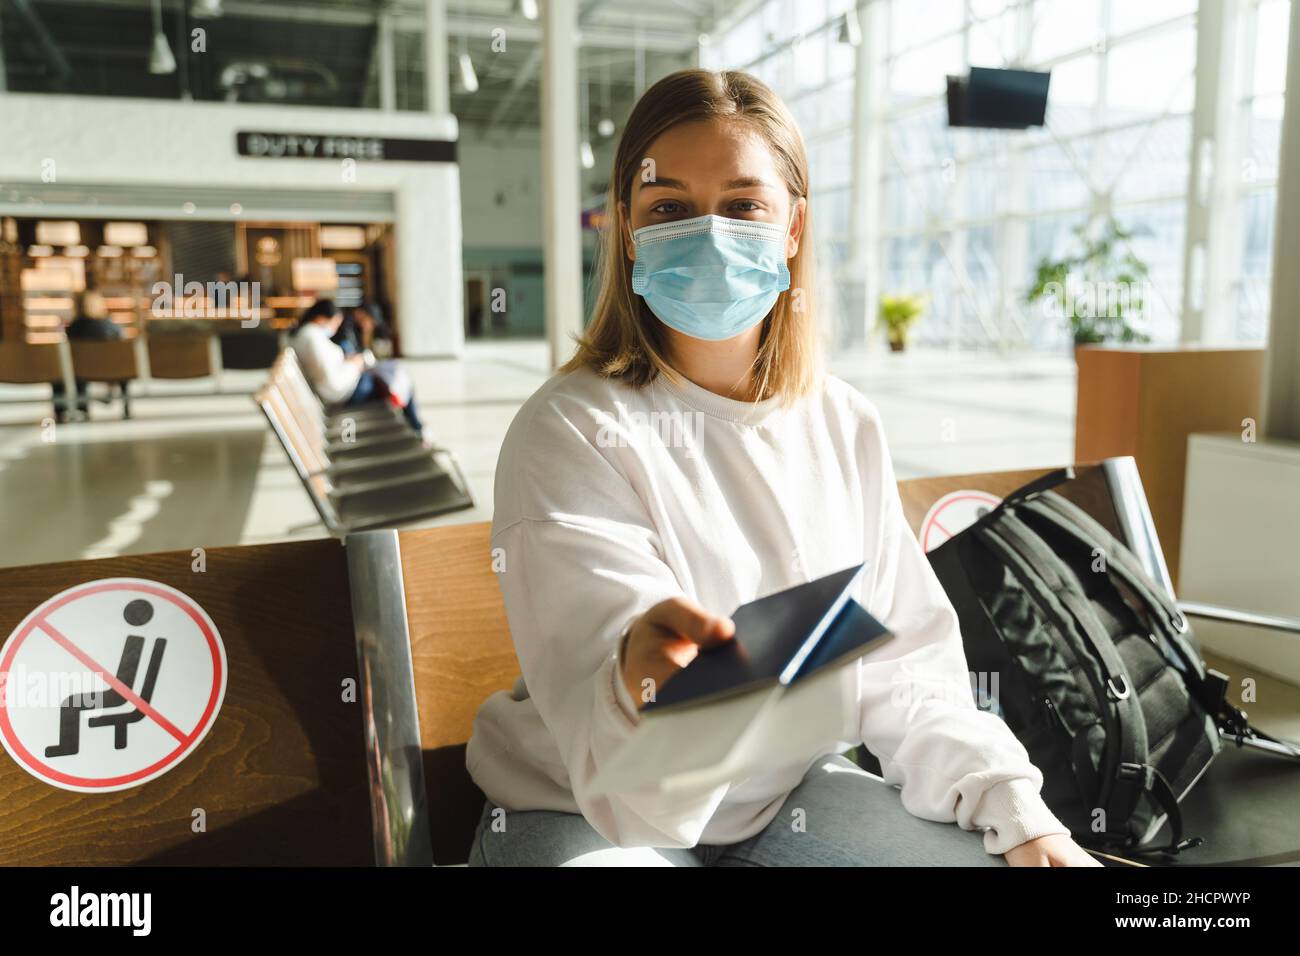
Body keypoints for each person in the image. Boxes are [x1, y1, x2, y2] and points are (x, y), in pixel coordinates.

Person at [465, 69, 1101, 868]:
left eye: (742, 206)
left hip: (786, 801)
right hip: (582, 811)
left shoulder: (841, 423)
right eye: (669, 209)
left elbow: (901, 665)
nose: (709, 233)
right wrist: (642, 684)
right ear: (626, 228)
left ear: (792, 227)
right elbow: (622, 784)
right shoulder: (571, 429)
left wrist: (1018, 813)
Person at [289, 298, 425, 436]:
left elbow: (327, 370)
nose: (335, 329)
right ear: (321, 318)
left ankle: (415, 430)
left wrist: (348, 362)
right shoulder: (312, 338)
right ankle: (417, 431)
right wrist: (354, 365)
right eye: (335, 323)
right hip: (348, 393)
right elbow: (333, 384)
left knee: (398, 379)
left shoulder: (309, 335)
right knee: (400, 380)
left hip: (350, 389)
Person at [51, 289, 127, 423]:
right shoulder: (113, 326)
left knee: (69, 370)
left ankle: (76, 408)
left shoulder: (73, 328)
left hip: (80, 371)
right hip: (113, 370)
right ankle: (125, 406)